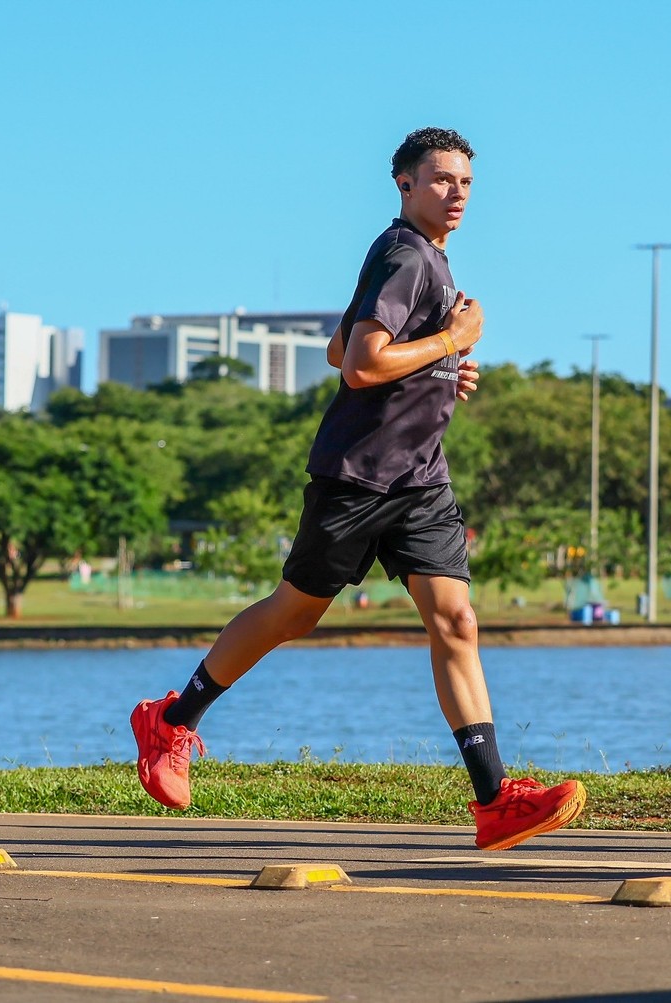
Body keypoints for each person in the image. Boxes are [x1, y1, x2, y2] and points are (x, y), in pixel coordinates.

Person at [131, 127, 586, 851]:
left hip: (419, 478)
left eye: (466, 181)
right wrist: (453, 341)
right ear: (404, 184)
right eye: (441, 179)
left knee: (457, 620)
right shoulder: (407, 253)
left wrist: (442, 372)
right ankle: (174, 718)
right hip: (358, 475)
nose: (458, 191)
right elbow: (362, 368)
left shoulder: (415, 257)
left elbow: (341, 344)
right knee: (293, 613)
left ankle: (496, 796)